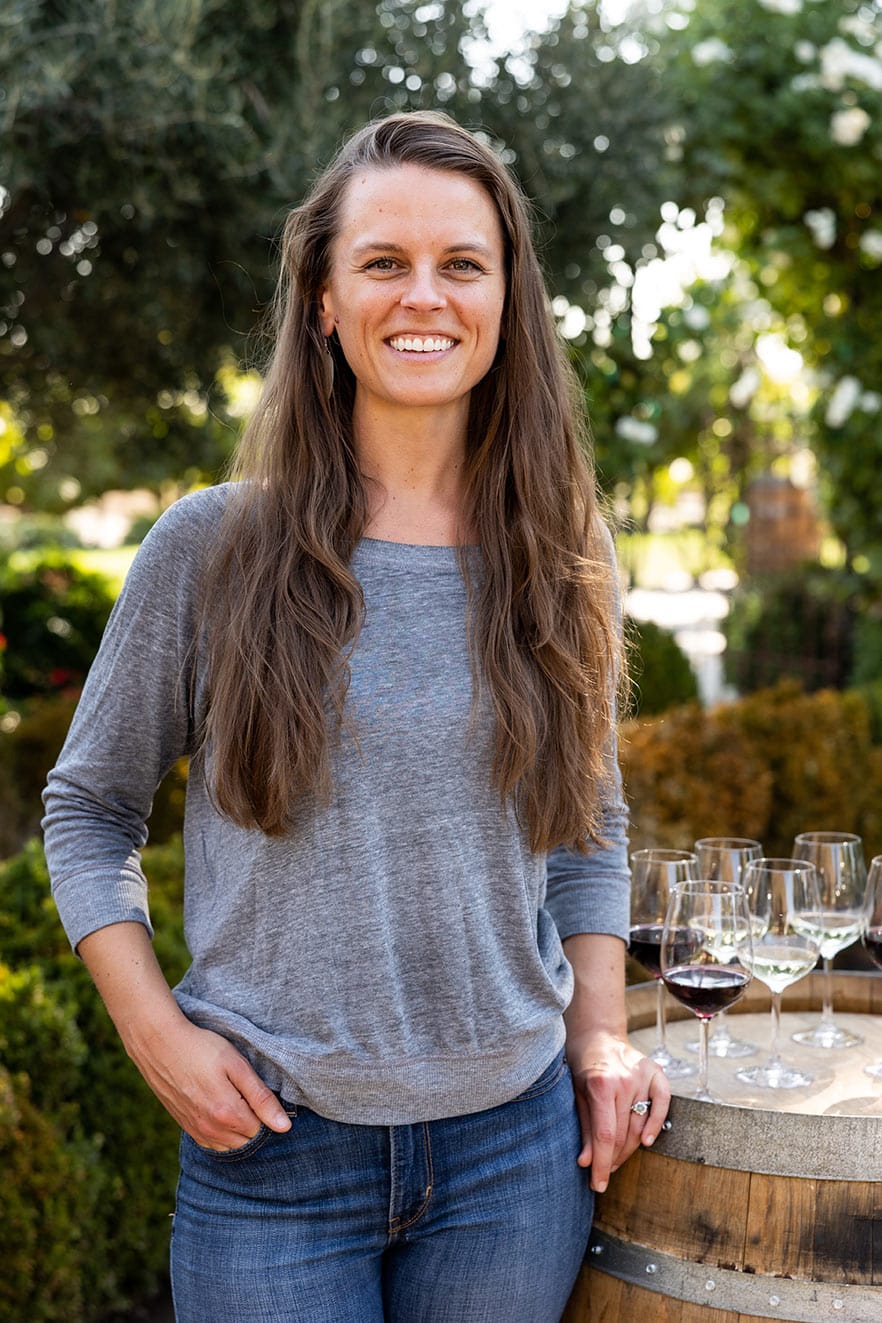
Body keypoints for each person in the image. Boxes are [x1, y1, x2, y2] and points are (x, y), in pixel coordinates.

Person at [42, 109, 670, 1323]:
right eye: (383, 262)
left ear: (506, 300)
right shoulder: (214, 546)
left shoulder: (561, 552)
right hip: (270, 1158)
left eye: (461, 264)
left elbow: (586, 824)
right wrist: (153, 1034)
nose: (422, 296)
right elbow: (88, 809)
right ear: (324, 302)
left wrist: (599, 1038)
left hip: (513, 1160)